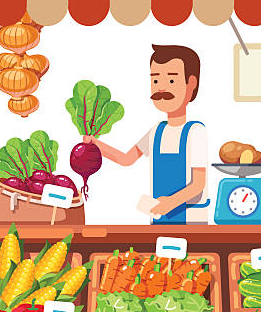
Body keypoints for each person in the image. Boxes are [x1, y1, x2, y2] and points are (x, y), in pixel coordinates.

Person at [84, 44, 209, 224]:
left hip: (191, 221)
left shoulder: (195, 132)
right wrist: (95, 144)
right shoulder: (156, 131)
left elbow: (198, 185)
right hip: (159, 216)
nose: (161, 89)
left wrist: (171, 203)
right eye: (156, 81)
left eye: (172, 81)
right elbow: (126, 159)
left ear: (191, 84)